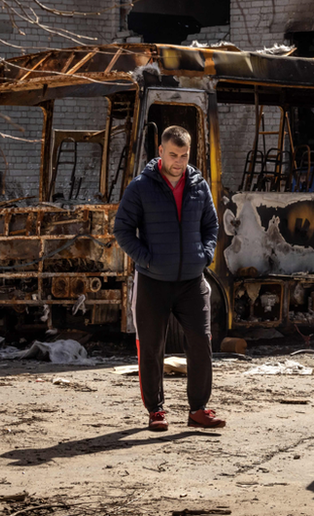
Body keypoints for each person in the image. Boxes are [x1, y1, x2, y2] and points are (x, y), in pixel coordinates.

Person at [114, 125, 225, 431]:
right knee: (151, 347)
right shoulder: (141, 187)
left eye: (184, 155)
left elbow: (211, 226)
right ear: (161, 151)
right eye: (173, 154)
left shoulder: (199, 186)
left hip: (192, 280)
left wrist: (204, 256)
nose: (179, 161)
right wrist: (146, 259)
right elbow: (122, 230)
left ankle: (199, 410)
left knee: (201, 343)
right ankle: (155, 411)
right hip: (153, 281)